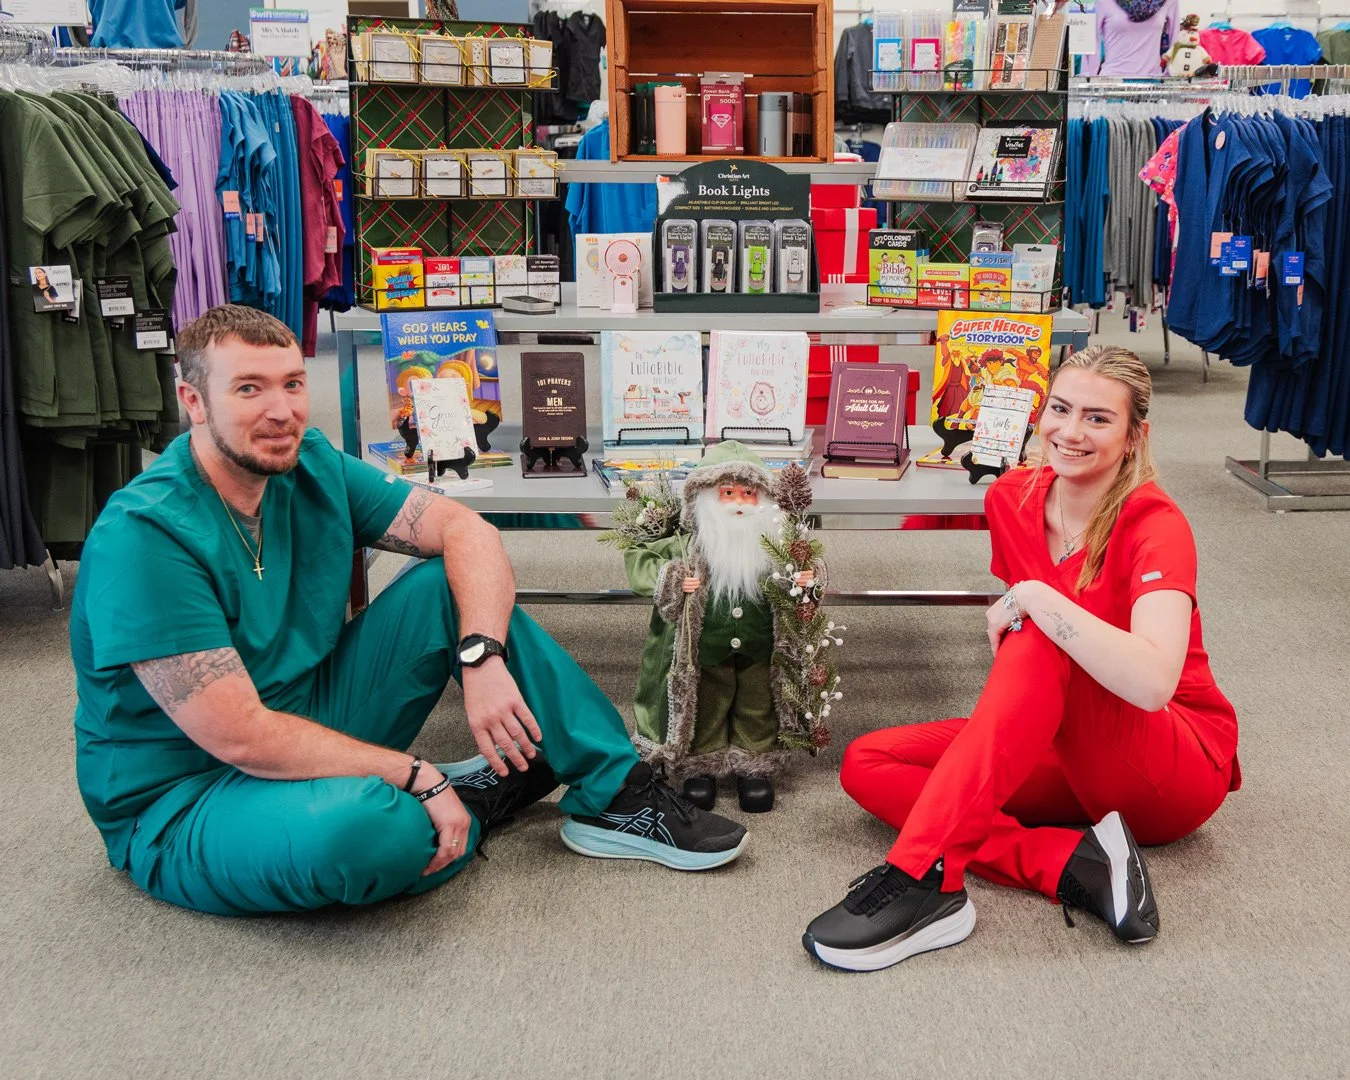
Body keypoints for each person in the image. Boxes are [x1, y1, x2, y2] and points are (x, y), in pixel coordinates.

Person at [70, 305, 748, 917]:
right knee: (369, 832)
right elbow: (239, 737)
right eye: (249, 388)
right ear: (193, 401)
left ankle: (617, 792)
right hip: (189, 795)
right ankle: (483, 795)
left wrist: (481, 656)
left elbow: (465, 531)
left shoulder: (309, 463)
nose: (281, 410)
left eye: (292, 384)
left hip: (310, 708)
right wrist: (414, 773)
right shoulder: (146, 535)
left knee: (441, 587)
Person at [804, 346, 1240, 971]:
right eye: (1061, 409)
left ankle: (924, 877)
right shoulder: (1011, 499)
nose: (1070, 431)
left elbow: (1152, 683)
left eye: (1097, 418)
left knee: (1044, 628)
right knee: (869, 762)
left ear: (1134, 435)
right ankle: (1072, 864)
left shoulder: (1155, 523)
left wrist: (1036, 598)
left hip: (1169, 765)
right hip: (1073, 746)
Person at [618, 443, 824, 813]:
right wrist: (672, 578)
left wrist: (809, 579)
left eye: (748, 493)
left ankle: (755, 767)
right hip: (704, 648)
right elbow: (641, 560)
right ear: (706, 498)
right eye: (727, 493)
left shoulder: (778, 542)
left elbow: (807, 566)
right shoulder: (687, 544)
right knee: (706, 702)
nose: (739, 503)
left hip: (762, 646)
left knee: (758, 703)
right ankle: (701, 767)